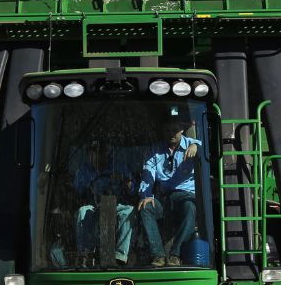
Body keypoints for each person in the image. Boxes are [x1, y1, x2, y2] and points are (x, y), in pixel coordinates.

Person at [137, 111, 200, 266]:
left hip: (185, 196)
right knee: (146, 207)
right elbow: (148, 174)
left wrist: (196, 146)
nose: (170, 133)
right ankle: (158, 255)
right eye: (167, 130)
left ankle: (175, 254)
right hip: (165, 198)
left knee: (191, 206)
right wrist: (146, 195)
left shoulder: (193, 144)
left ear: (182, 130)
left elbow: (207, 148)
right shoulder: (155, 150)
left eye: (174, 130)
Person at [72, 143, 137, 266]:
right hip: (93, 206)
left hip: (117, 205)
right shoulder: (84, 170)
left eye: (101, 152)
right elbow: (77, 191)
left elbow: (133, 188)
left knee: (129, 211)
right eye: (94, 152)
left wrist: (124, 180)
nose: (98, 156)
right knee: (82, 212)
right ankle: (85, 254)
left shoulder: (118, 166)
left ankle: (120, 255)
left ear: (107, 154)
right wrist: (90, 185)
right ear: (90, 154)